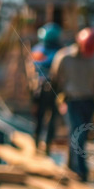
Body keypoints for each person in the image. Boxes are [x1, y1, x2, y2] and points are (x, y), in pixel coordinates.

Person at [50, 27, 94, 182]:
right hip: (71, 101)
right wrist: (59, 99)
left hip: (89, 102)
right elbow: (55, 79)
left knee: (80, 135)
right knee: (77, 134)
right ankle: (81, 171)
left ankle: (70, 165)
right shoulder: (64, 57)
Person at [30, 22, 63, 153]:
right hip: (52, 88)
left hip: (40, 88)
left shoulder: (37, 50)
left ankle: (39, 142)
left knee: (40, 117)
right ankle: (45, 144)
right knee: (50, 117)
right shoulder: (58, 52)